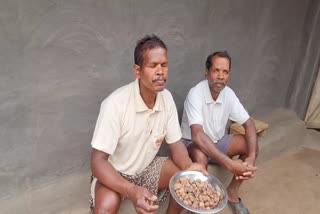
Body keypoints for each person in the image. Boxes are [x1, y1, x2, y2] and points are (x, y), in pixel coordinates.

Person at [89, 34, 207, 214]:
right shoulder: (115, 104)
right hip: (117, 172)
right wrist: (131, 190)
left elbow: (176, 145)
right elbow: (97, 163)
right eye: (153, 66)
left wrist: (189, 168)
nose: (160, 71)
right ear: (137, 71)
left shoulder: (166, 99)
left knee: (183, 179)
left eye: (164, 65)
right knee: (105, 209)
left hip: (146, 168)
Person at [180, 51, 258, 214]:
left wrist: (250, 157)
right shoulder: (196, 93)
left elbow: (249, 124)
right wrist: (229, 164)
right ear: (207, 72)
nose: (221, 76)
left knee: (251, 145)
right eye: (216, 71)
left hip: (217, 143)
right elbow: (197, 135)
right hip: (192, 144)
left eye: (225, 72)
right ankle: (195, 209)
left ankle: (231, 193)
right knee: (201, 156)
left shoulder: (228, 94)